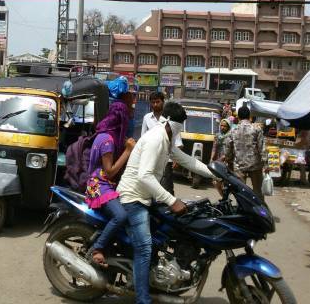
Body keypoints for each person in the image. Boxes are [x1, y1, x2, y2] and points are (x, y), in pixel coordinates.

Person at [117, 102, 214, 304]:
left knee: (169, 232)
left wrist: (216, 174)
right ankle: (143, 300)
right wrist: (171, 200)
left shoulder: (167, 138)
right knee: (144, 247)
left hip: (147, 197)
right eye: (179, 124)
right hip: (134, 197)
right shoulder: (156, 139)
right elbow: (144, 176)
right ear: (170, 121)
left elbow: (189, 161)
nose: (180, 128)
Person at [85, 94, 136, 266]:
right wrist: (128, 151)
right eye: (128, 112)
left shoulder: (105, 134)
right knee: (120, 216)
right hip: (99, 185)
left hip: (105, 184)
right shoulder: (107, 140)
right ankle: (98, 247)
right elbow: (110, 171)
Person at [141, 91, 180, 195]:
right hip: (150, 157)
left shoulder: (170, 118)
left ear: (163, 102)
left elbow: (177, 140)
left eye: (157, 102)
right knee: (150, 187)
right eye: (153, 102)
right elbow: (143, 138)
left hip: (167, 159)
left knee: (166, 187)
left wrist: (177, 158)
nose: (155, 105)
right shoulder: (147, 118)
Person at [225, 105, 265, 200]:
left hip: (239, 165)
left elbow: (228, 148)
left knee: (241, 191)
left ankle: (243, 210)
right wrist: (266, 164)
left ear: (238, 116)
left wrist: (228, 160)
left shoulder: (233, 130)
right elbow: (262, 148)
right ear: (249, 116)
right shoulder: (257, 129)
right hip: (255, 164)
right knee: (258, 191)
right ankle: (260, 212)